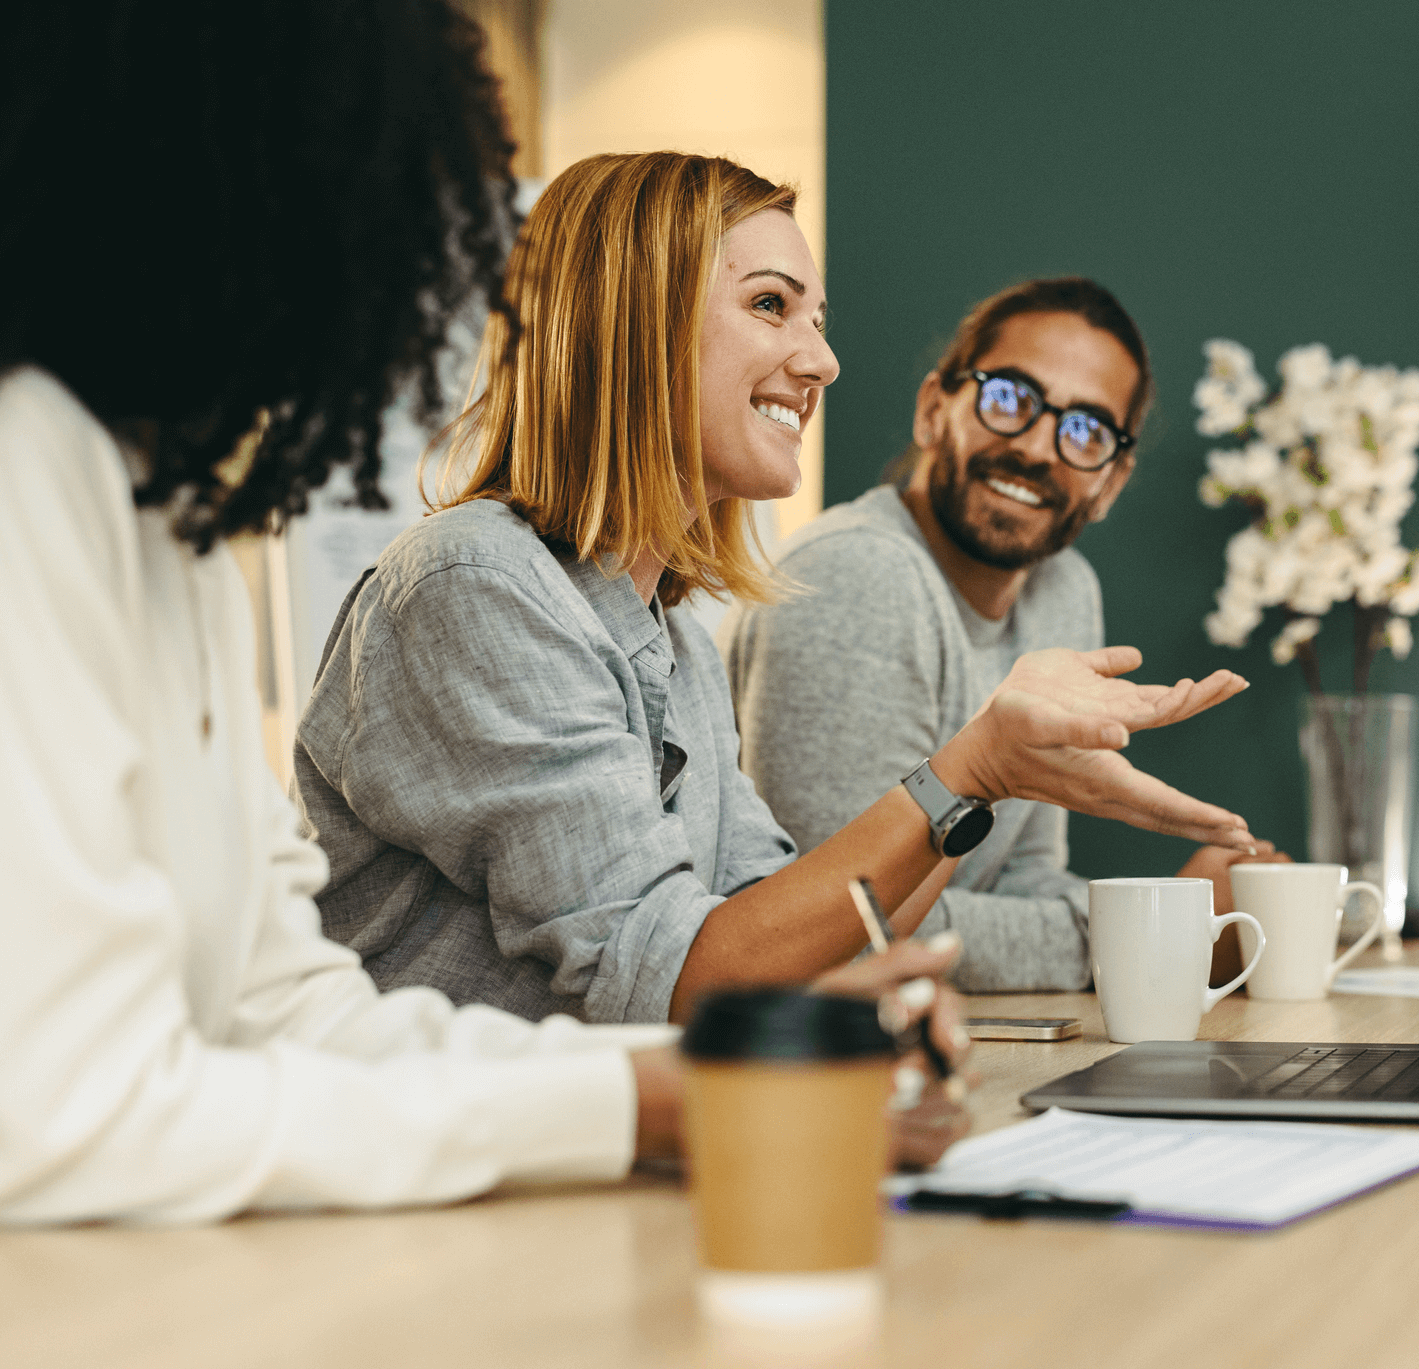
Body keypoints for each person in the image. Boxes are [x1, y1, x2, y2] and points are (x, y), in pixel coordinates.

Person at [0, 1, 963, 1227]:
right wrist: (648, 1104)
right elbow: (65, 1120)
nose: (410, 274)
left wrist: (714, 1074)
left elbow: (293, 1012)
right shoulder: (32, 465)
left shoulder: (168, 533)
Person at [292, 154, 1262, 1032]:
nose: (822, 362)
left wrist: (992, 784)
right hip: (440, 1192)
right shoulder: (476, 583)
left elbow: (803, 936)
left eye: (818, 321)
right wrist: (973, 769)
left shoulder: (670, 637)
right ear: (638, 319)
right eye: (770, 305)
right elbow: (678, 976)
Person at [725, 279, 1285, 992]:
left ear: (1110, 482)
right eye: (1010, 397)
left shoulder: (1063, 588)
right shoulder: (856, 574)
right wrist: (1159, 929)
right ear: (934, 410)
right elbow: (846, 933)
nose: (1037, 447)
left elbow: (1024, 880)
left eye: (1085, 430)